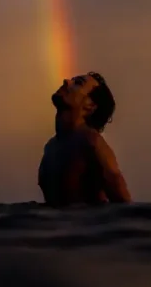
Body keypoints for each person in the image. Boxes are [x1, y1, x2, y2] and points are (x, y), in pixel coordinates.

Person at [37, 72, 132, 206]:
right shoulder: (51, 146)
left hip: (87, 225)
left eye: (78, 83)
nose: (66, 81)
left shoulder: (91, 142)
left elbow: (124, 203)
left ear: (90, 105)